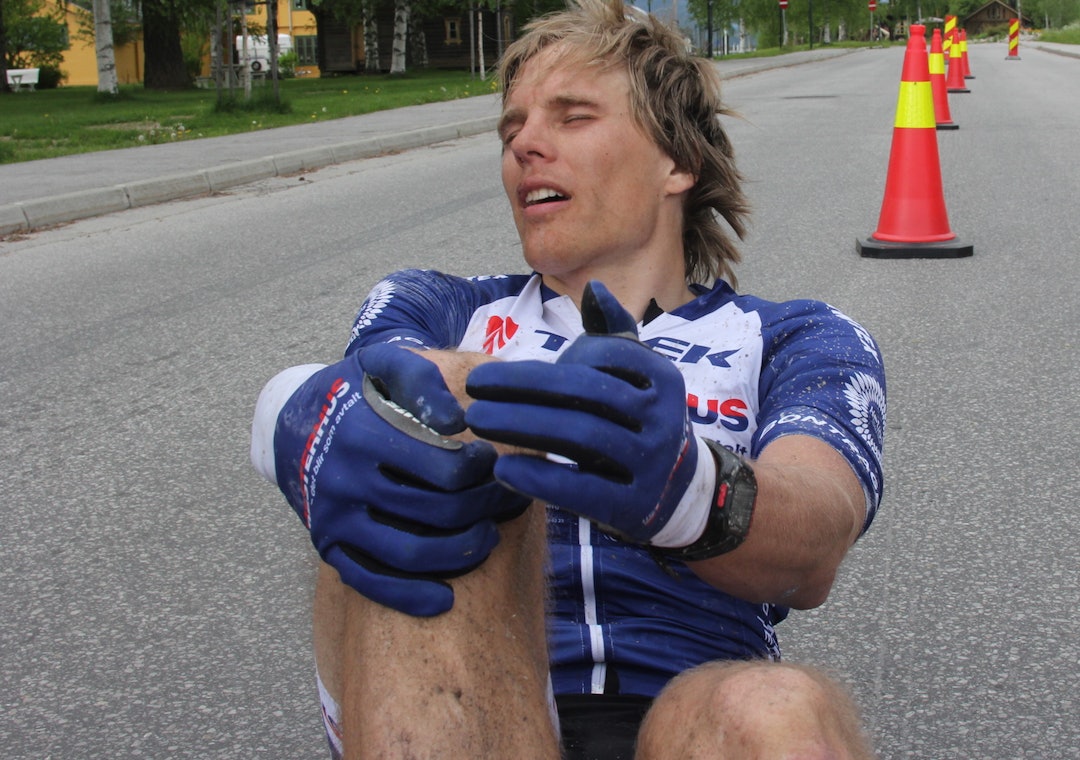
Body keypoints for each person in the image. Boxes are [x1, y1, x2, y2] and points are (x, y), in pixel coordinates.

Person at [250, 0, 887, 757]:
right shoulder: (441, 304)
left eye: (572, 117)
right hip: (457, 681)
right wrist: (283, 409)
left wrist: (688, 487)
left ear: (675, 161)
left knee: (778, 709)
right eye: (511, 128)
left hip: (682, 707)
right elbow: (363, 392)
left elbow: (816, 533)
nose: (525, 145)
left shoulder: (796, 335)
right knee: (445, 402)